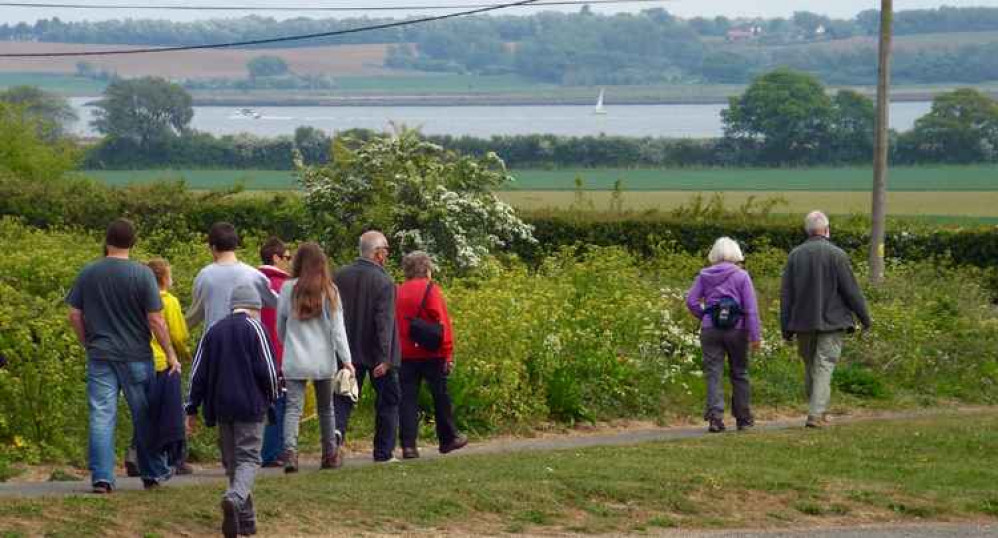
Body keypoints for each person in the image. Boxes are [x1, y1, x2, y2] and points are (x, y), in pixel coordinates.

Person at [66, 218, 179, 493]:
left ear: (107, 241)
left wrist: (87, 342)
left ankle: (102, 478)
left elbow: (74, 314)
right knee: (143, 413)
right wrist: (170, 354)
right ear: (133, 242)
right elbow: (156, 320)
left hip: (100, 354)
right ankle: (151, 473)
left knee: (102, 414)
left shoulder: (89, 272)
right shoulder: (142, 275)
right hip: (137, 354)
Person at [186, 284, 279, 538]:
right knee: (248, 458)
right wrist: (273, 395)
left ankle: (246, 521)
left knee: (232, 463)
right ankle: (235, 498)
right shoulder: (256, 329)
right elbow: (268, 370)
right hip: (251, 405)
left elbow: (198, 374)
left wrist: (191, 407)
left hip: (221, 407)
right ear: (255, 307)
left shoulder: (213, 332)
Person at [781, 211, 871, 429]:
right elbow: (851, 291)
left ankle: (816, 409)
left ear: (807, 231)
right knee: (824, 365)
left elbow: (786, 295)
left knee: (812, 366)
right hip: (832, 321)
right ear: (827, 229)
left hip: (802, 322)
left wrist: (785, 326)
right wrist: (864, 317)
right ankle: (816, 413)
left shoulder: (795, 255)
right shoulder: (837, 255)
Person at [277, 242, 355, 472]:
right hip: (323, 358)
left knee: (293, 408)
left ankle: (290, 454)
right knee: (326, 408)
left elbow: (280, 325)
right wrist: (347, 360)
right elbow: (338, 330)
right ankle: (329, 453)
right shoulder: (329, 290)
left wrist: (287, 343)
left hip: (295, 357)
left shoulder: (287, 289)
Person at [333, 231, 402, 463]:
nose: (387, 256)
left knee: (343, 397)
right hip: (375, 354)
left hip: (345, 351)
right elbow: (384, 322)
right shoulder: (384, 281)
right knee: (388, 401)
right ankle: (383, 452)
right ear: (378, 254)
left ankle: (334, 439)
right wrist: (385, 357)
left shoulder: (339, 276)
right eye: (386, 251)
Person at [125, 258, 194, 476]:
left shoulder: (135, 299)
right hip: (164, 361)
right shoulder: (169, 302)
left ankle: (135, 452)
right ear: (164, 279)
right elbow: (178, 334)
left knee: (143, 411)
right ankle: (173, 457)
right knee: (168, 411)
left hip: (139, 358)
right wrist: (184, 354)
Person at [685, 237, 762, 433]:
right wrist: (755, 336)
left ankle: (715, 418)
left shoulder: (704, 275)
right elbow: (751, 308)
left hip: (711, 329)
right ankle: (743, 418)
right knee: (740, 372)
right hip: (737, 329)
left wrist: (705, 316)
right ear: (736, 254)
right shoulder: (742, 276)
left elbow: (692, 301)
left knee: (714, 373)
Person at [395, 251, 467, 458]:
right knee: (440, 396)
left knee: (407, 400)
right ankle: (448, 438)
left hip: (406, 353)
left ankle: (408, 445)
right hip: (432, 352)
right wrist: (448, 353)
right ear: (426, 268)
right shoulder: (431, 289)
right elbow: (442, 323)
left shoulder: (398, 291)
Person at [187, 222, 278, 332]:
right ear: (235, 245)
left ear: (213, 247)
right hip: (248, 341)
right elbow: (278, 302)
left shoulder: (204, 276)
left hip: (216, 342)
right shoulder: (254, 275)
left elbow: (194, 316)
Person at [257, 237, 292, 468]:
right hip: (280, 353)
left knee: (259, 403)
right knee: (280, 402)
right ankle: (272, 451)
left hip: (257, 350)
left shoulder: (253, 281)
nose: (289, 262)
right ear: (276, 258)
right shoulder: (283, 286)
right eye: (287, 257)